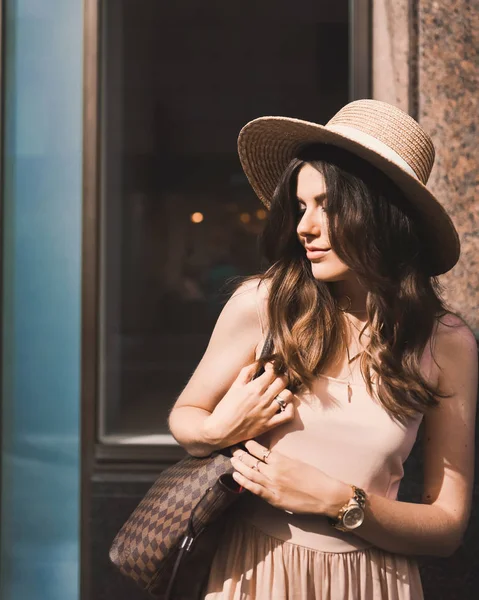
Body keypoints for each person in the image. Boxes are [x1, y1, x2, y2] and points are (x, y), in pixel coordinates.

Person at [167, 99, 478, 600]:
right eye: (301, 205)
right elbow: (187, 416)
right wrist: (215, 430)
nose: (304, 227)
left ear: (381, 214)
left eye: (327, 206)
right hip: (252, 574)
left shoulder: (447, 344)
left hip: (373, 584)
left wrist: (338, 500)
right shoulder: (263, 305)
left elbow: (446, 526)